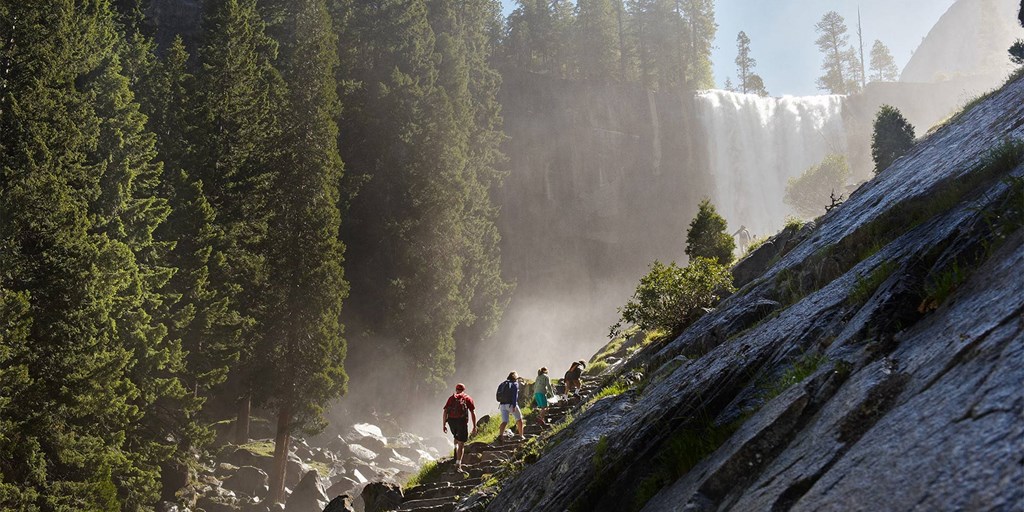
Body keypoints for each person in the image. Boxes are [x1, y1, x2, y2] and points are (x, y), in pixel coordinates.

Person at [442, 383, 477, 475]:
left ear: (456, 389)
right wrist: (474, 426)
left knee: (456, 436)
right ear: (464, 389)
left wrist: (443, 425)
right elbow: (472, 412)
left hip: (451, 421)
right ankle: (458, 464)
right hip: (461, 421)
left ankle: (455, 448)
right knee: (461, 443)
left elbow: (445, 411)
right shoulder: (467, 398)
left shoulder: (451, 398)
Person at [496, 371, 525, 441]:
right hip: (511, 404)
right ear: (515, 377)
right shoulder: (514, 383)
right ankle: (521, 435)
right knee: (519, 419)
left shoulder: (502, 384)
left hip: (502, 405)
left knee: (504, 421)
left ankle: (500, 436)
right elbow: (515, 395)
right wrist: (514, 405)